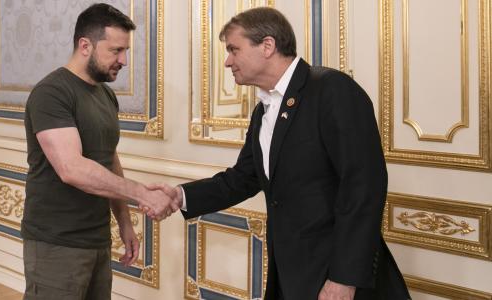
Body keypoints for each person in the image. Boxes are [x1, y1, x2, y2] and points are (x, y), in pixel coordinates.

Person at [152, 7, 410, 300]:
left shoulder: (332, 90)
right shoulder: (263, 111)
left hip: (335, 275)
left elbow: (363, 187)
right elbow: (242, 178)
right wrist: (180, 196)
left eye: (234, 50)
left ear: (268, 46)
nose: (228, 62)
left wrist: (344, 279)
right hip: (291, 272)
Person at [22, 4, 175, 299]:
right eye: (116, 51)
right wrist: (142, 193)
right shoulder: (51, 93)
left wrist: (125, 222)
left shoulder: (105, 94)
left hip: (97, 237)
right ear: (85, 45)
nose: (124, 60)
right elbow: (72, 169)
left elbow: (108, 159)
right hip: (56, 242)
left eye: (125, 51)